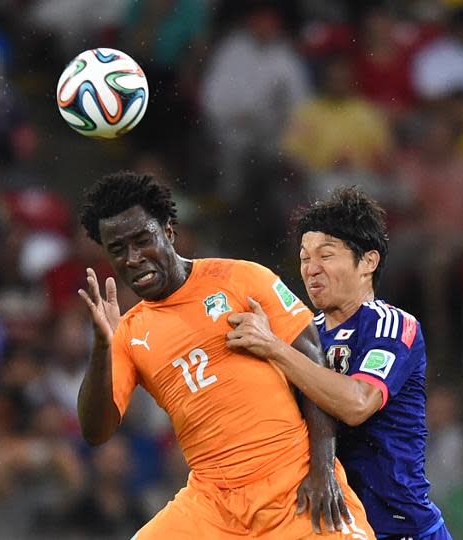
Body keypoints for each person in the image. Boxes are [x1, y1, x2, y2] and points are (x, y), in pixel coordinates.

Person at [77, 171, 374, 538]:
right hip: (212, 505)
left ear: (168, 231)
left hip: (291, 484)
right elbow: (95, 431)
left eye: (142, 240)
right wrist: (102, 348)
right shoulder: (127, 334)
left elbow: (315, 369)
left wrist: (322, 469)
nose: (134, 258)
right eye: (118, 250)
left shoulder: (241, 280)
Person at [226, 186, 452, 539]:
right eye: (304, 258)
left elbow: (357, 404)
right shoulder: (299, 334)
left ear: (368, 262)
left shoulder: (390, 325)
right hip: (328, 527)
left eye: (326, 255)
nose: (311, 269)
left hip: (400, 527)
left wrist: (273, 348)